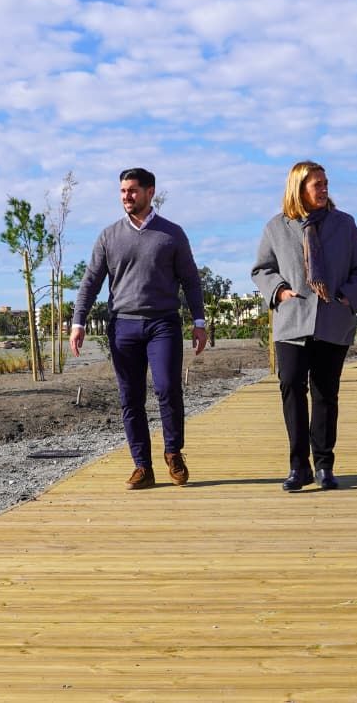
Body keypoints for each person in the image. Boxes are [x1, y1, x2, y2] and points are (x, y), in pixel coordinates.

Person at [70, 168, 207, 490]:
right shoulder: (109, 236)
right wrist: (78, 322)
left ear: (150, 192)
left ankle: (173, 453)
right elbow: (91, 282)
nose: (126, 196)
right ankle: (142, 467)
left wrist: (199, 322)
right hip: (123, 326)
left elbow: (191, 280)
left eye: (132, 190)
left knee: (167, 388)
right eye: (122, 191)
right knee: (130, 398)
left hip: (163, 324)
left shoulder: (171, 234)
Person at [251, 161, 357, 492]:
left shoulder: (344, 224)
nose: (324, 188)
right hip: (291, 322)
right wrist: (279, 291)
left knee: (325, 393)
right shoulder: (276, 227)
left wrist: (347, 297)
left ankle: (323, 465)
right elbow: (261, 269)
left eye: (325, 183)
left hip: (332, 321)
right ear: (299, 188)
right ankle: (298, 466)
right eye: (317, 184)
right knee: (291, 385)